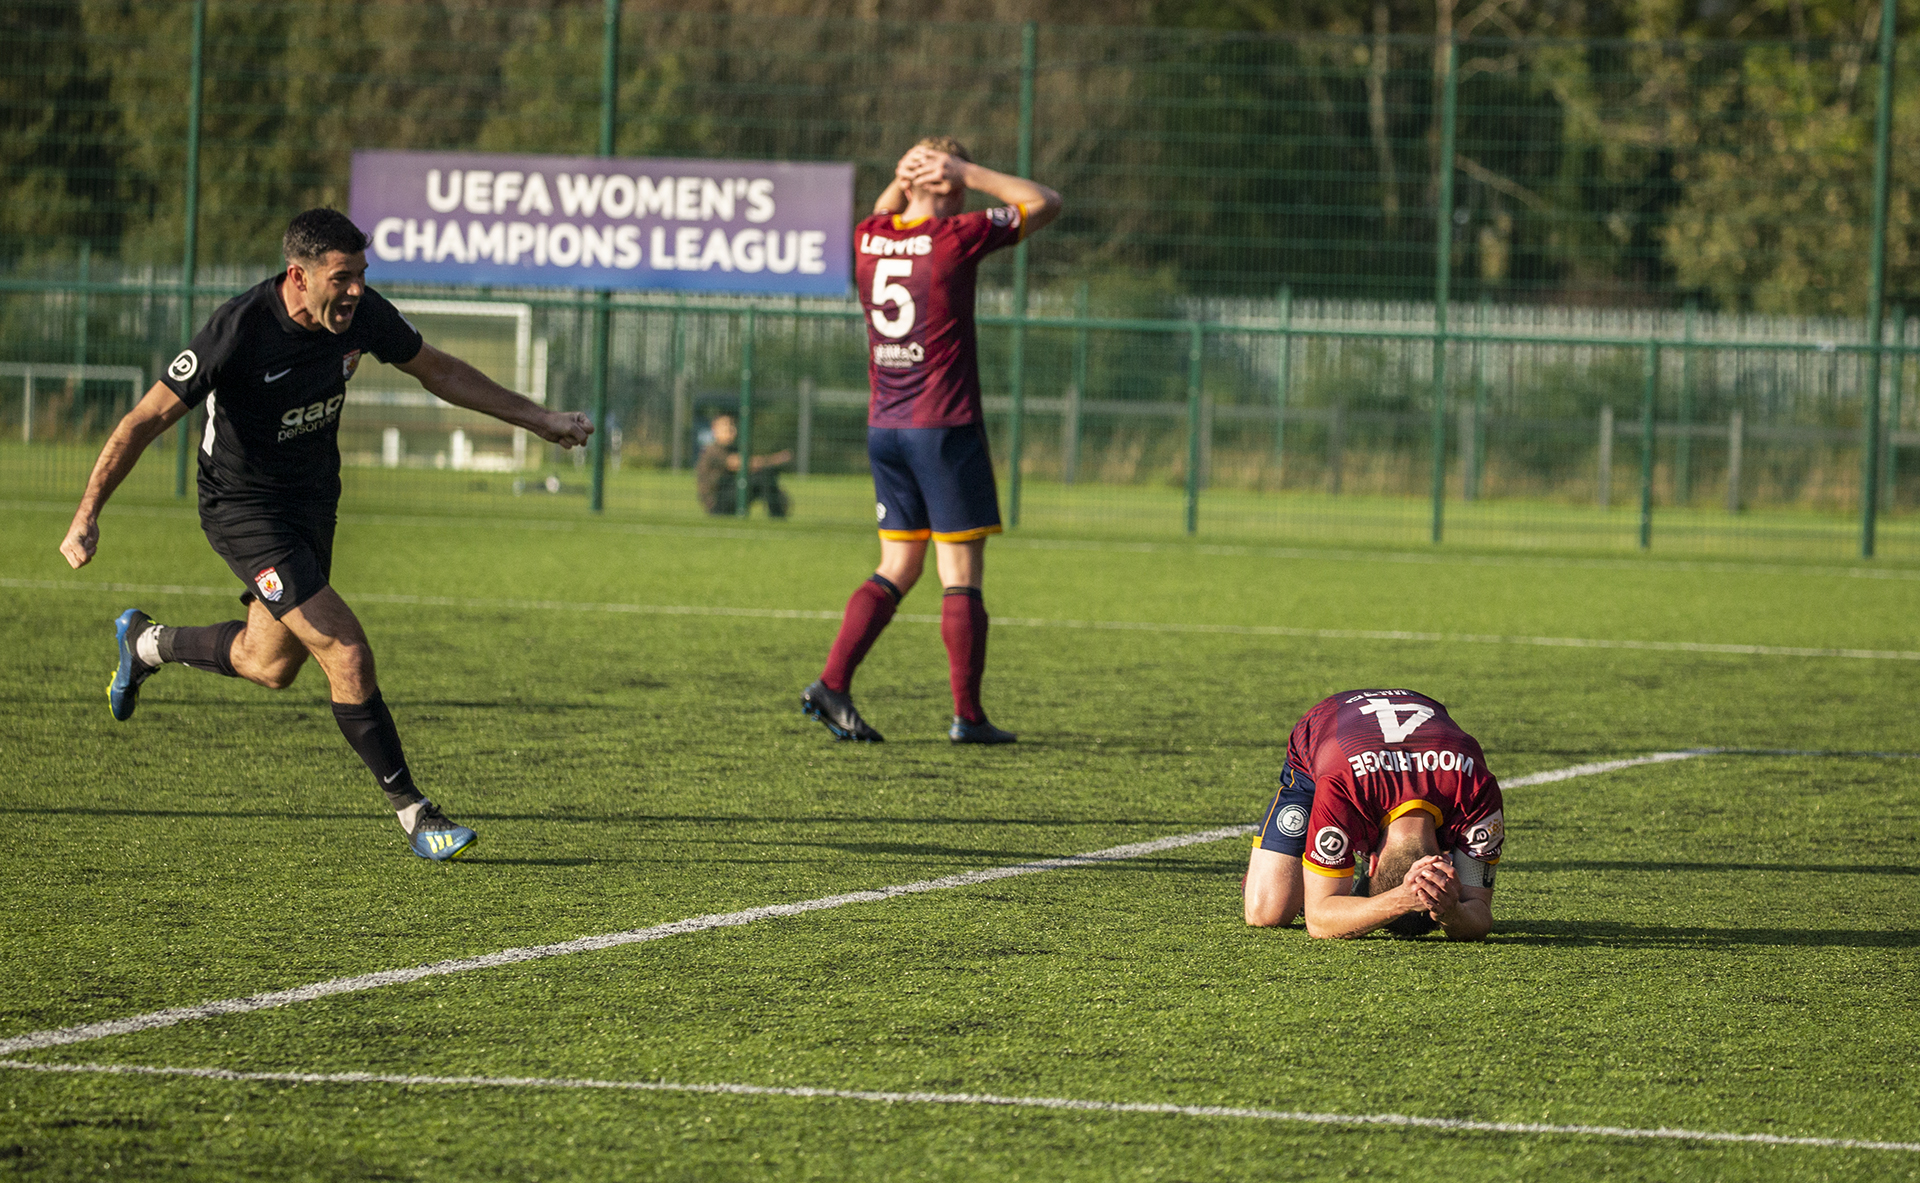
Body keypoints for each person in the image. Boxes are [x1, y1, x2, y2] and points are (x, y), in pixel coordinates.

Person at [59, 208, 592, 861]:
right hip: (244, 507)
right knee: (346, 651)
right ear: (298, 275)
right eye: (342, 277)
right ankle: (416, 813)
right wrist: (88, 514)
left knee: (270, 662)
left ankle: (145, 642)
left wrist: (537, 419)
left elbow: (439, 370)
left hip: (313, 500)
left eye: (362, 275)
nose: (356, 290)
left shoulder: (362, 313)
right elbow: (143, 419)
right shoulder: (238, 330)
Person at [801, 137, 1061, 744]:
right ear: (946, 183)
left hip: (885, 427)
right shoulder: (955, 237)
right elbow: (1044, 201)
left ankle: (832, 684)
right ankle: (968, 717)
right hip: (943, 427)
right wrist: (967, 167)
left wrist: (904, 178)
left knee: (898, 563)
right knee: (960, 573)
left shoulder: (870, 237)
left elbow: (883, 210)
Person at [1243, 688, 1502, 940]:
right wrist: (1401, 900)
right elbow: (1318, 920)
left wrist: (1451, 910)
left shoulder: (1477, 789)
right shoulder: (1342, 788)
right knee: (1267, 912)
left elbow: (1479, 912)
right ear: (1371, 862)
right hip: (1325, 726)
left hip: (1379, 725)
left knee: (1273, 914)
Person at [695, 413, 791, 517]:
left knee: (764, 475)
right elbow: (741, 464)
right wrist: (776, 459)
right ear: (714, 429)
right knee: (763, 475)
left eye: (732, 426)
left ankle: (777, 513)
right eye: (726, 427)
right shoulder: (712, 451)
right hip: (718, 503)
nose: (731, 430)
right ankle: (777, 516)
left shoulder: (733, 449)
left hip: (732, 491)